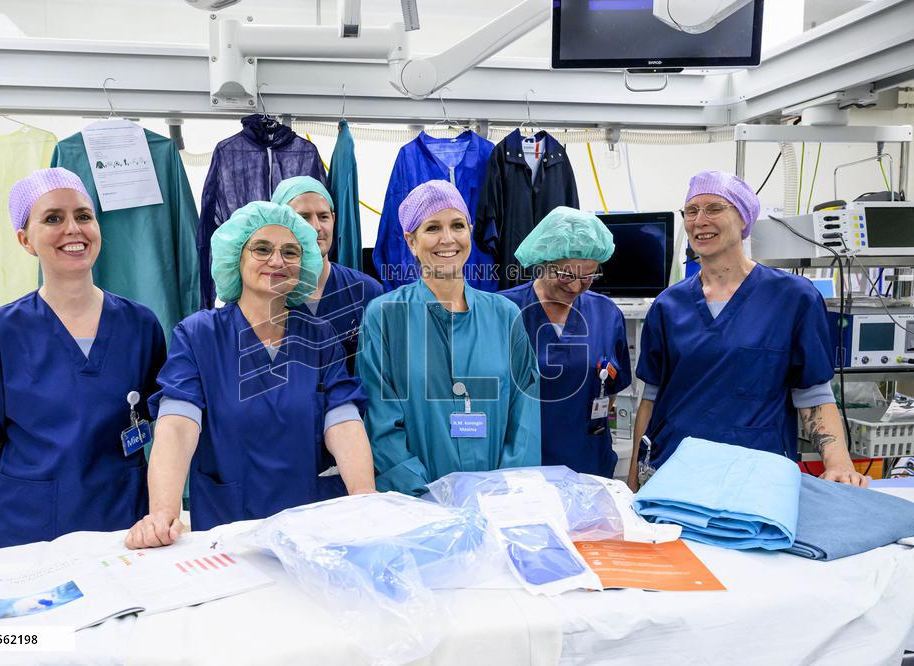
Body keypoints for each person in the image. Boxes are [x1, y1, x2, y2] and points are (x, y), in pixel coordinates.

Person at [125, 201, 376, 549]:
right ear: (235, 257)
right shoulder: (199, 336)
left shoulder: (319, 337)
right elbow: (178, 427)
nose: (277, 261)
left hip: (309, 527)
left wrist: (366, 500)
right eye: (262, 249)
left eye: (290, 251)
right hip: (229, 529)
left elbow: (344, 422)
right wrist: (163, 512)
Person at [0, 168, 166, 549]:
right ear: (25, 240)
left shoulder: (140, 325)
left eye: (83, 216)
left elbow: (161, 425)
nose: (73, 229)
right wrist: (36, 499)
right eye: (53, 218)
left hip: (124, 526)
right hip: (27, 534)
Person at [627, 170, 868, 490]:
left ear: (743, 218)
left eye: (714, 208)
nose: (699, 220)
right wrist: (632, 481)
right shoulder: (668, 305)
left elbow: (813, 394)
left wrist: (838, 463)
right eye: (691, 211)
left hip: (757, 475)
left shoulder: (793, 298)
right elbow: (651, 399)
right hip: (675, 470)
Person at [357, 180, 540, 497]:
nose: (448, 239)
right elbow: (381, 422)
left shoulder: (505, 315)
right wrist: (425, 494)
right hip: (417, 504)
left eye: (458, 225)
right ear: (411, 241)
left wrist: (508, 490)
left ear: (470, 231)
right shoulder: (385, 316)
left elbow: (525, 414)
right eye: (432, 228)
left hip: (497, 503)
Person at [271, 176, 384, 499]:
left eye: (323, 215)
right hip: (286, 448)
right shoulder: (269, 296)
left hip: (355, 443)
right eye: (303, 217)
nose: (316, 226)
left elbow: (381, 379)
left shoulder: (367, 292)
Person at [500, 207, 631, 478]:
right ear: (543, 261)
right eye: (566, 276)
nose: (575, 287)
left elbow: (612, 391)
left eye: (588, 277)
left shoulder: (606, 313)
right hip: (523, 468)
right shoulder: (504, 310)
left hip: (589, 464)